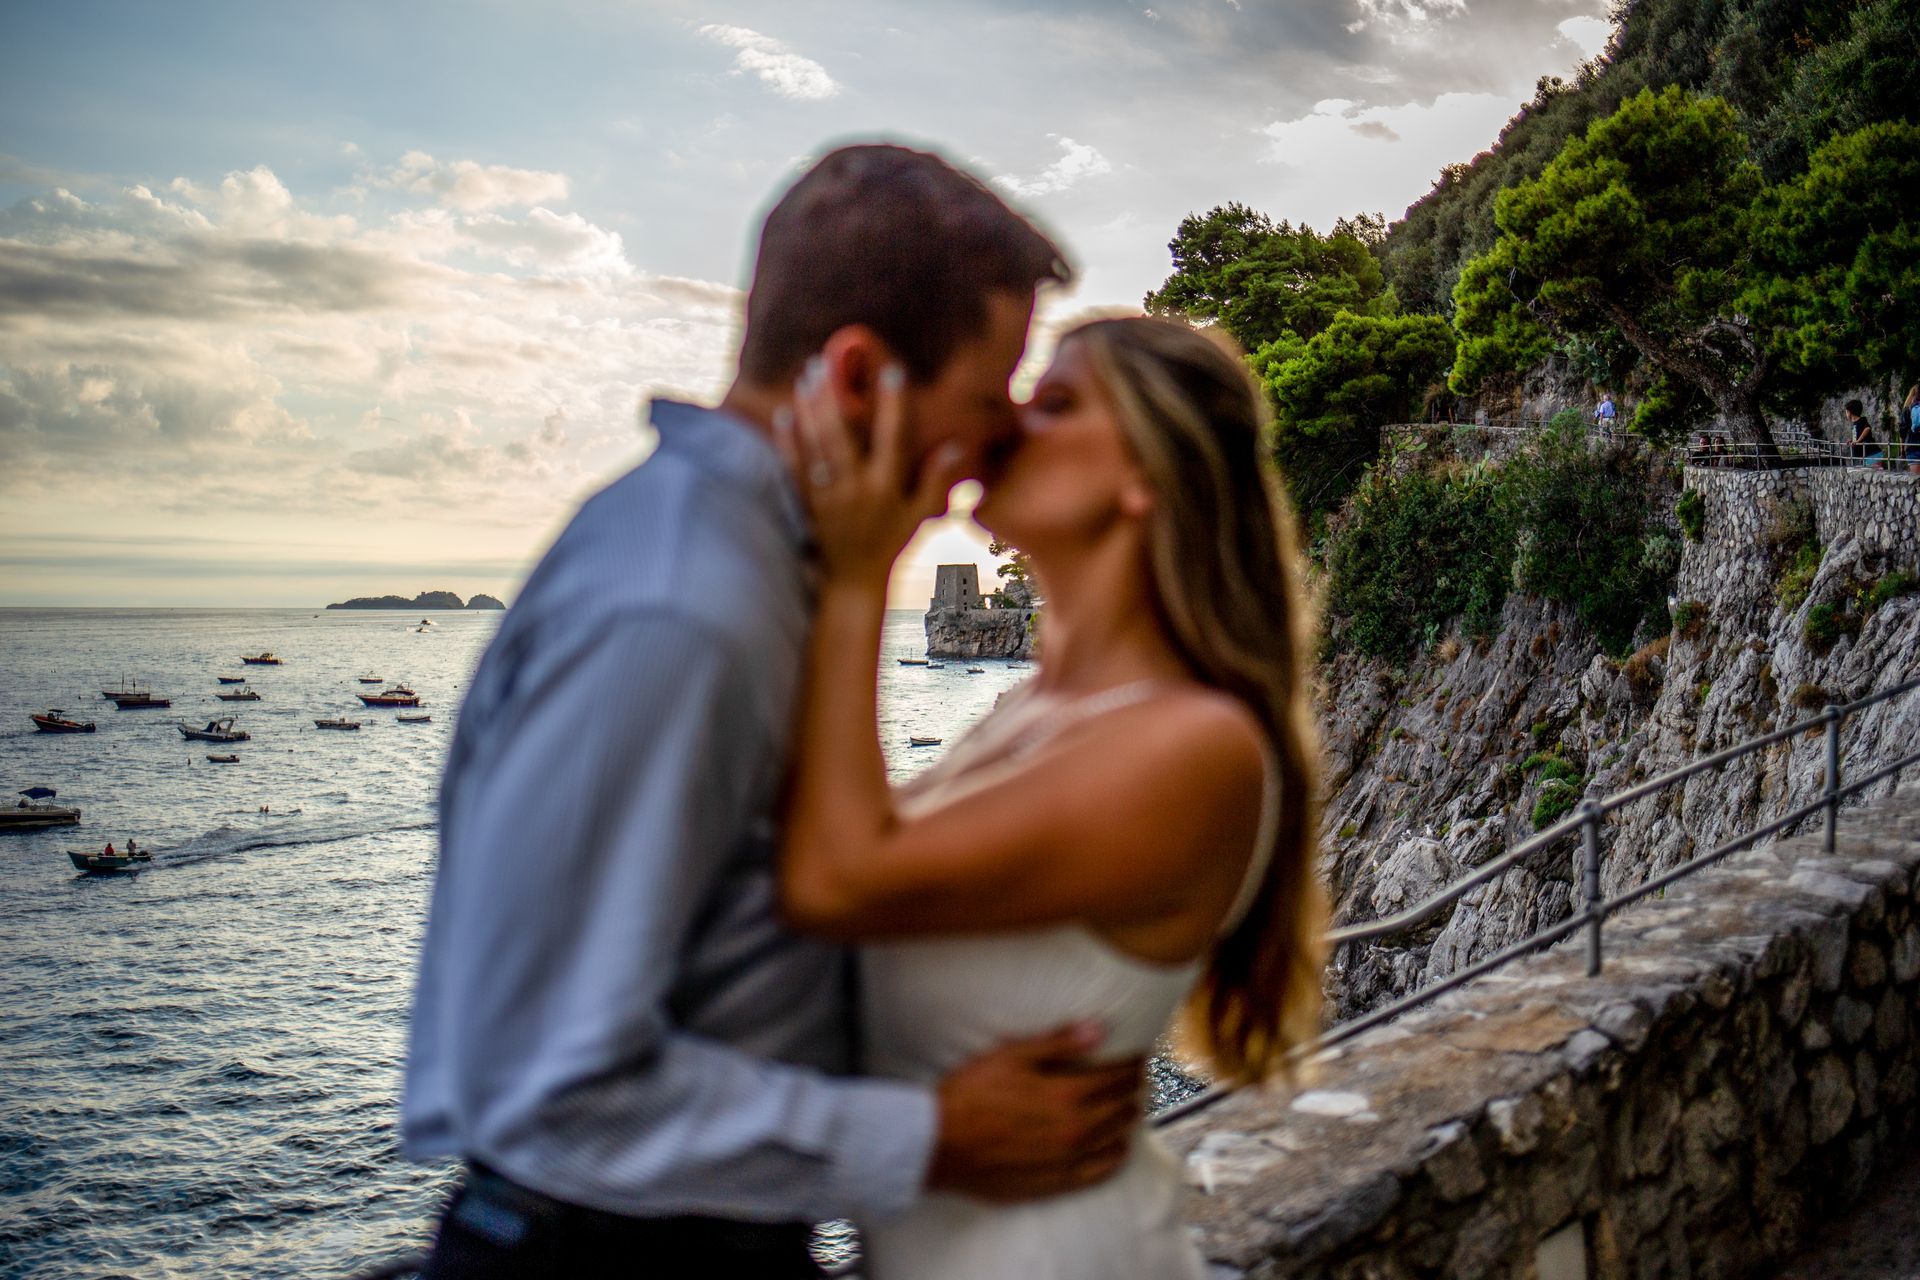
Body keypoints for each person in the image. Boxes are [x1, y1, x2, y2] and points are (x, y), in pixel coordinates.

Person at [404, 144, 1147, 1280]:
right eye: (981, 398)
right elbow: (543, 1083)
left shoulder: (745, 566)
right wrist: (934, 1136)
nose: (993, 446)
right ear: (857, 379)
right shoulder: (679, 609)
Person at [774, 315, 1327, 1278]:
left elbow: (838, 877)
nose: (1010, 417)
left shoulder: (1193, 745)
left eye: (1058, 402)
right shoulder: (1032, 711)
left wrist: (857, 568)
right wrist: (928, 1129)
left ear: (1145, 479)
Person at [1846, 399, 1880, 467]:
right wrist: (1853, 441)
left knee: (1875, 473)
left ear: (1849, 412)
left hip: (1872, 454)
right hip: (1865, 455)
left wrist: (1858, 441)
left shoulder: (1862, 420)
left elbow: (1867, 429)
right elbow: (1858, 436)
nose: (1846, 414)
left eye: (1846, 412)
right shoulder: (1855, 424)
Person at [1903, 385, 1920, 475]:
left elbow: (1903, 430)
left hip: (1912, 446)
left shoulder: (1907, 409)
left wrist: (1902, 448)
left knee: (1917, 480)